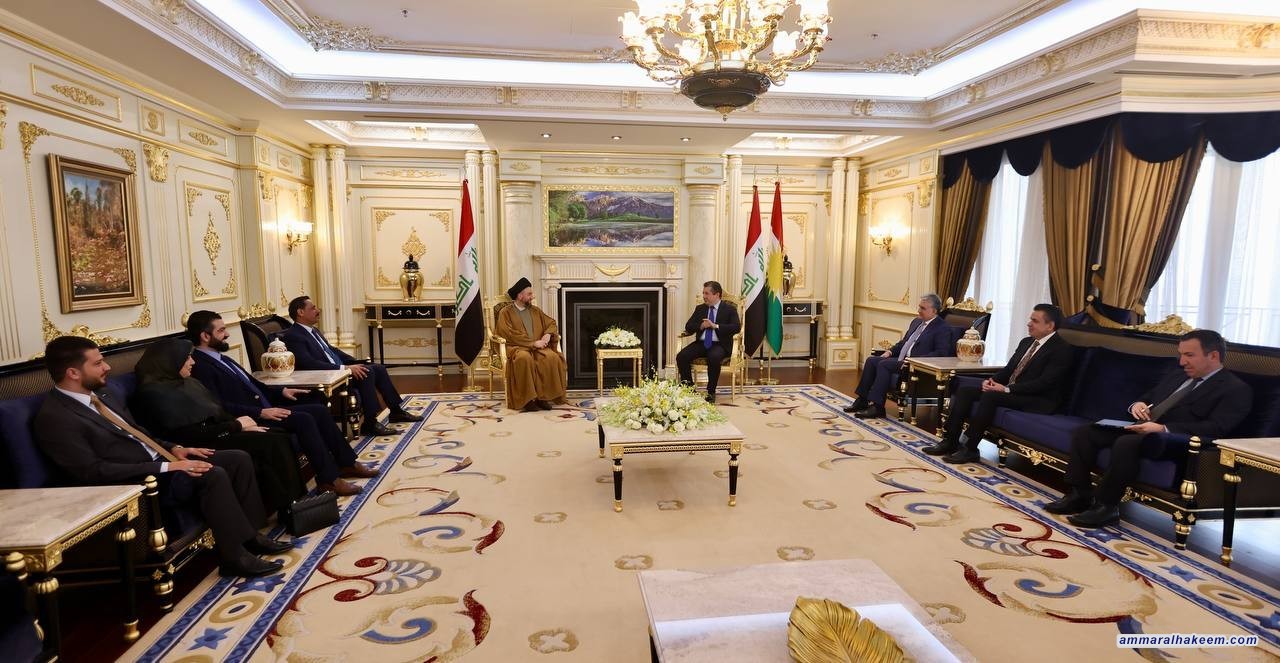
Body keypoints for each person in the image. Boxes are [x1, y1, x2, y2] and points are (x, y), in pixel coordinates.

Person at [35, 336, 291, 578]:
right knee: (211, 474)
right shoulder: (56, 418)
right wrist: (169, 467)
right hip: (138, 481)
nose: (107, 367)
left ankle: (250, 537)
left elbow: (138, 433)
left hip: (161, 461)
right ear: (73, 373)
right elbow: (93, 471)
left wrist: (175, 447)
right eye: (98, 363)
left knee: (237, 458)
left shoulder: (102, 395)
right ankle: (234, 558)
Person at [1048, 329, 1252, 527]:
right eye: (1181, 354)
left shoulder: (1235, 389)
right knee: (1086, 432)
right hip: (1143, 429)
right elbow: (1149, 397)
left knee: (1127, 443)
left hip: (1173, 441)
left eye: (1189, 355)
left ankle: (1106, 507)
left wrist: (1163, 429)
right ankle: (1079, 495)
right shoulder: (1178, 375)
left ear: (1213, 356)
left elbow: (1216, 429)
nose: (1182, 361)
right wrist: (1137, 405)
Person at [186, 310, 374, 497]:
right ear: (205, 336)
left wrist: (282, 391)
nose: (227, 334)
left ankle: (346, 463)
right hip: (250, 417)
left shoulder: (222, 357)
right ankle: (328, 480)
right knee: (304, 419)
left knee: (318, 409)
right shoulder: (200, 366)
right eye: (221, 331)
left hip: (267, 406)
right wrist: (260, 413)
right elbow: (218, 405)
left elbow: (253, 384)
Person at [131, 338, 304, 515]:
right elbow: (186, 435)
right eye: (187, 357)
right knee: (271, 443)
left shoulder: (189, 383)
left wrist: (242, 425)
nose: (193, 362)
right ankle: (291, 509)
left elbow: (217, 410)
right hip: (200, 444)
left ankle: (296, 503)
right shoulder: (151, 394)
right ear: (170, 361)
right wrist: (236, 425)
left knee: (278, 434)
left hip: (218, 432)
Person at [922, 304, 1074, 464]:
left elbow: (1044, 383)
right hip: (1014, 392)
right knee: (965, 391)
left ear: (1050, 326)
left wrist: (1007, 389)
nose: (1029, 324)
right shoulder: (1026, 342)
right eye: (1030, 319)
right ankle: (950, 441)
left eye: (1035, 321)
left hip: (1038, 399)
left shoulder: (1061, 349)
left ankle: (970, 449)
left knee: (991, 397)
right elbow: (1008, 370)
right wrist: (992, 381)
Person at [281, 296, 422, 435]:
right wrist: (346, 368)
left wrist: (355, 362)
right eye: (313, 308)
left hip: (339, 370)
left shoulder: (314, 331)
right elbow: (309, 364)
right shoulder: (294, 336)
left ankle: (396, 411)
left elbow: (332, 351)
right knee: (367, 372)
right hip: (328, 377)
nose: (318, 311)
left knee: (378, 368)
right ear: (300, 312)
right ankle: (370, 423)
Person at [844, 294, 952, 419]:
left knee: (884, 364)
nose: (918, 310)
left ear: (934, 311)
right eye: (919, 307)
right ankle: (862, 400)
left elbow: (941, 353)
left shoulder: (942, 328)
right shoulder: (917, 322)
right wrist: (890, 352)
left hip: (916, 365)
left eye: (923, 308)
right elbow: (904, 343)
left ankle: (878, 407)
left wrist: (915, 361)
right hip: (902, 359)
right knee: (871, 361)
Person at [494, 277, 568, 412]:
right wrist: (533, 343)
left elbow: (551, 323)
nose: (532, 297)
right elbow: (509, 334)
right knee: (524, 358)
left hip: (538, 346)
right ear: (520, 296)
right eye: (529, 294)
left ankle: (543, 398)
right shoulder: (505, 313)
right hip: (517, 347)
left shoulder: (535, 310)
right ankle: (527, 400)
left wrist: (547, 334)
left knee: (551, 357)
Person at [676, 281, 741, 404]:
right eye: (703, 293)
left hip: (720, 344)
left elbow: (736, 327)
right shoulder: (700, 308)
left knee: (714, 357)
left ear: (717, 295)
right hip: (702, 343)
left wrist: (715, 326)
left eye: (707, 293)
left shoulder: (729, 309)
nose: (704, 296)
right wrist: (701, 326)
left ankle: (711, 392)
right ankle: (689, 388)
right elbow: (688, 326)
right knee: (682, 356)